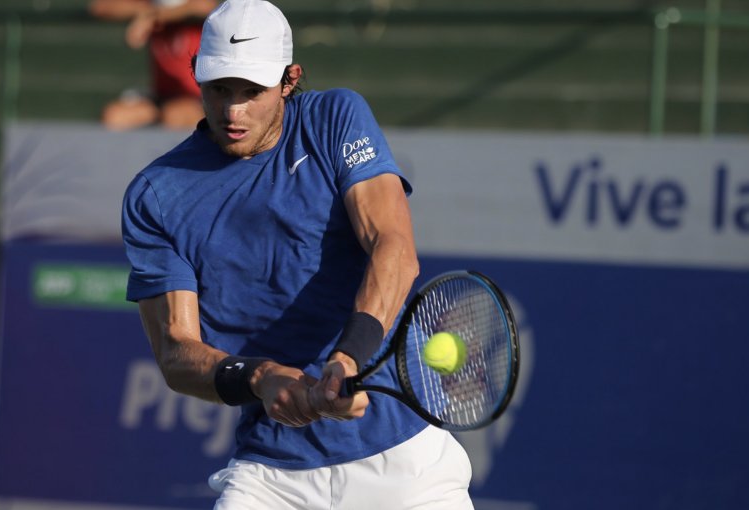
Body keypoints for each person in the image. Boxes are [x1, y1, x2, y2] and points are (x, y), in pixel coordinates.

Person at [120, 1, 473, 508]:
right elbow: (177, 354)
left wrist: (348, 356)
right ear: (197, 76)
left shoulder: (335, 118)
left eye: (252, 92)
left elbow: (394, 248)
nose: (233, 111)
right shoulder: (155, 195)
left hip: (407, 464)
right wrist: (261, 377)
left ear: (290, 80)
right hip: (270, 478)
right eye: (219, 89)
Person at [89, 0, 218, 130]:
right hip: (162, 96)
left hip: (198, 98)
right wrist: (146, 12)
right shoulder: (149, 8)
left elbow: (204, 6)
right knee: (115, 116)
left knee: (177, 115)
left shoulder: (198, 12)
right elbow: (100, 7)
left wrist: (155, 17)